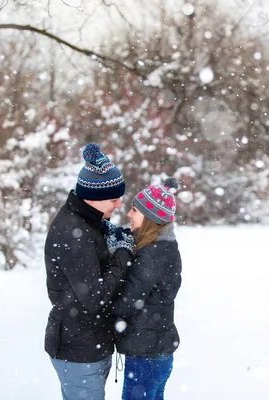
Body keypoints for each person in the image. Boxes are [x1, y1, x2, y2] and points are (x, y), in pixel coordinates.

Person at [44, 142, 135, 400]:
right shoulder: (75, 233)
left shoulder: (91, 223)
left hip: (89, 345)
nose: (118, 205)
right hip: (78, 351)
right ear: (92, 197)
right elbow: (94, 297)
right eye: (113, 199)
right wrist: (123, 253)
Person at [112, 177, 182, 400]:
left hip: (145, 355)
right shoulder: (168, 248)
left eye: (134, 210)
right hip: (160, 353)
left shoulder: (150, 255)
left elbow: (127, 303)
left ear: (151, 218)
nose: (129, 214)